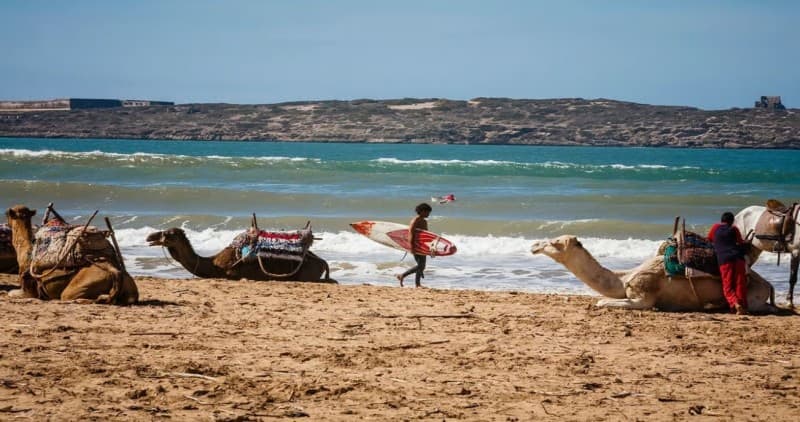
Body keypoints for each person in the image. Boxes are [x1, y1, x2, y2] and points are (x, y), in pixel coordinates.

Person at [707, 211, 749, 315]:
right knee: (740, 284)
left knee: (727, 285)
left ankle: (735, 304)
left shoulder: (715, 227)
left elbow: (709, 239)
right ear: (732, 221)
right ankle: (742, 306)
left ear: (722, 220)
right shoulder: (734, 229)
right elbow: (740, 242)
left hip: (725, 260)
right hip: (738, 259)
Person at [396, 203, 432, 287]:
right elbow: (411, 233)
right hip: (415, 245)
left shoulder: (424, 221)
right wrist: (411, 246)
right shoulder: (415, 220)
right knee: (421, 265)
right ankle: (413, 282)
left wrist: (428, 247)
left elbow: (425, 235)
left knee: (422, 266)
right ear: (422, 211)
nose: (428, 214)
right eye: (427, 212)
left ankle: (405, 277)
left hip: (421, 245)